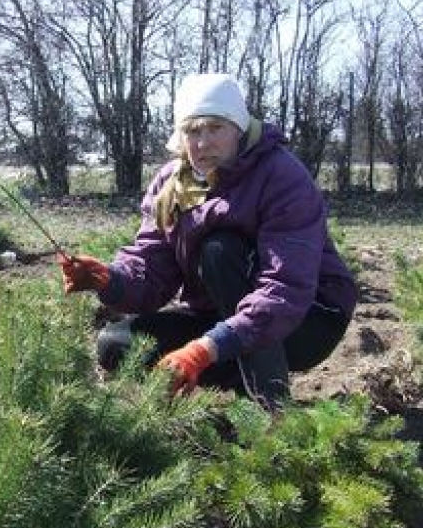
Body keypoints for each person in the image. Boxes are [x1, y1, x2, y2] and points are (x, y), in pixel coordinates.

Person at [60, 73, 357, 408]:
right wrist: (108, 279)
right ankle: (240, 371)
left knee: (220, 251)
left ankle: (268, 412)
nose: (203, 143)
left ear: (239, 128)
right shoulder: (173, 184)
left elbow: (285, 288)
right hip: (223, 316)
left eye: (215, 128)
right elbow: (152, 270)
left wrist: (206, 348)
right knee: (117, 344)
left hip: (307, 320)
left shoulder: (281, 177)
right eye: (192, 131)